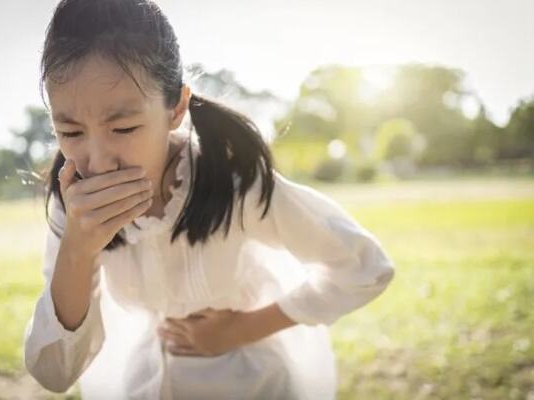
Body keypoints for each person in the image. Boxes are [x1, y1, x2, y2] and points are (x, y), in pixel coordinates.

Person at [22, 0, 396, 399]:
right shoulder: (73, 205)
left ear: (176, 108)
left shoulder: (233, 185)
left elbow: (365, 267)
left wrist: (242, 328)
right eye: (72, 133)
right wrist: (78, 249)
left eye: (124, 127)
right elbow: (55, 372)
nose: (97, 162)